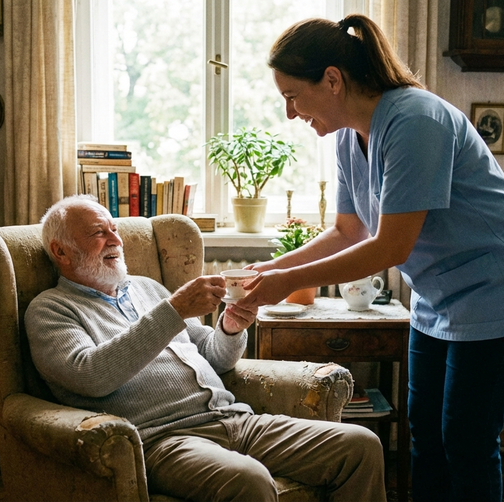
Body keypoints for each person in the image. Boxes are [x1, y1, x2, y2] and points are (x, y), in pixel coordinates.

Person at [237, 14, 504, 502]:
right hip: (438, 295)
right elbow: (349, 230)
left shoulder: (415, 121)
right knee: (425, 438)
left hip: (498, 284)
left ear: (332, 79)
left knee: (468, 444)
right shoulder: (349, 134)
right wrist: (271, 270)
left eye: (292, 96)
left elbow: (390, 247)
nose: (290, 113)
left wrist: (286, 282)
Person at [24, 195, 387, 502]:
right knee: (248, 480)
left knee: (360, 445)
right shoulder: (50, 309)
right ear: (61, 251)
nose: (114, 240)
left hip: (232, 419)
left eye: (113, 229)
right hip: (163, 439)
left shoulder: (147, 288)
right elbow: (92, 376)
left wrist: (230, 327)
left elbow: (212, 357)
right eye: (97, 233)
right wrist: (176, 310)